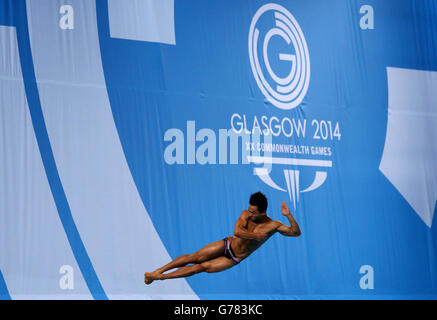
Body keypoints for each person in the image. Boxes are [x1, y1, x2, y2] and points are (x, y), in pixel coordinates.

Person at [144, 191, 301, 285]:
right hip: (226, 244)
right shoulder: (245, 214)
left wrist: (289, 216)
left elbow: (295, 233)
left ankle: (160, 277)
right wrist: (255, 235)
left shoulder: (273, 225)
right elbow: (237, 232)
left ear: (263, 211)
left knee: (201, 267)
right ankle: (158, 271)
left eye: (254, 212)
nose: (250, 213)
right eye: (249, 209)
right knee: (194, 257)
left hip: (233, 258)